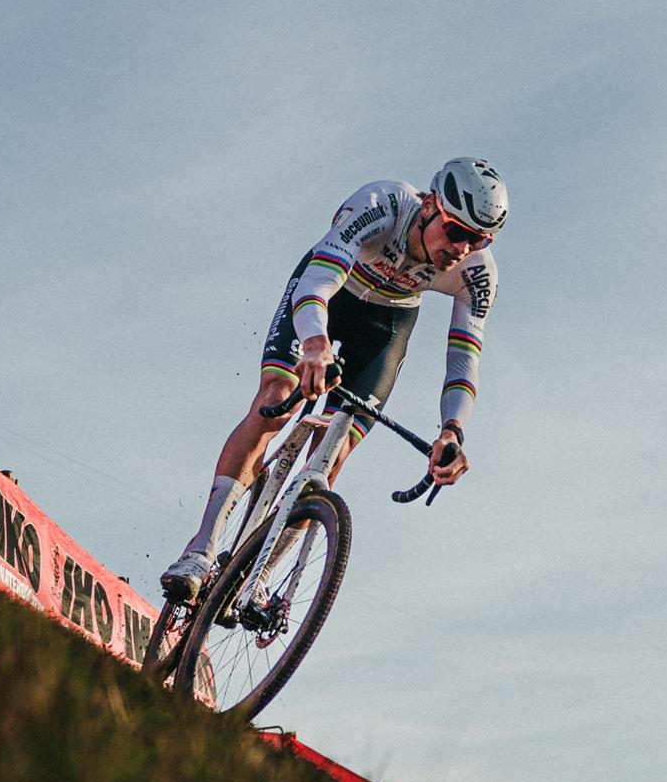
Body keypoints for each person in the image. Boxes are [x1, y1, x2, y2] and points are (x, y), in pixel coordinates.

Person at [159, 158, 507, 601]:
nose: (463, 247)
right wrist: (315, 345)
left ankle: (259, 577)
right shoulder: (382, 205)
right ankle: (201, 550)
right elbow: (318, 282)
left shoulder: (477, 274)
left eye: (479, 239)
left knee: (334, 447)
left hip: (388, 324)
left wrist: (452, 431)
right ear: (430, 206)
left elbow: (462, 361)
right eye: (457, 231)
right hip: (330, 294)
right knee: (276, 397)